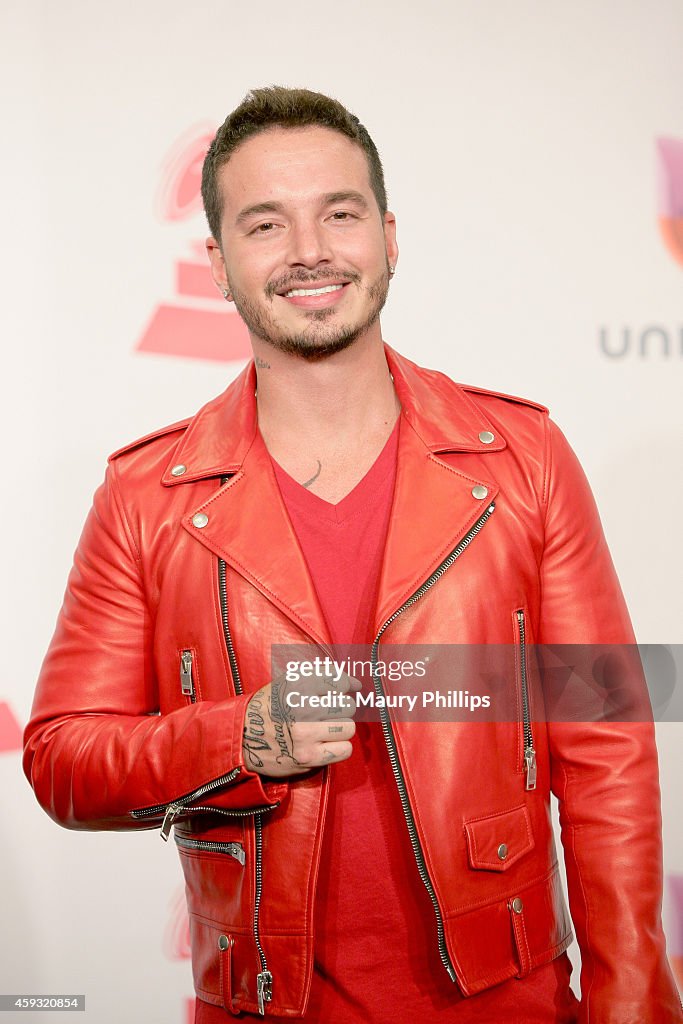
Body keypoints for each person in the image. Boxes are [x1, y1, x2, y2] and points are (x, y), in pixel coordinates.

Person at [24, 86, 682, 1023]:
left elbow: (605, 749)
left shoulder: (522, 458)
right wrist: (240, 736)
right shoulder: (147, 498)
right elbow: (62, 757)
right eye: (265, 224)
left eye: (340, 213)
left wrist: (633, 1007)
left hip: (513, 1004)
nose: (308, 252)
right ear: (215, 262)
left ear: (388, 234)